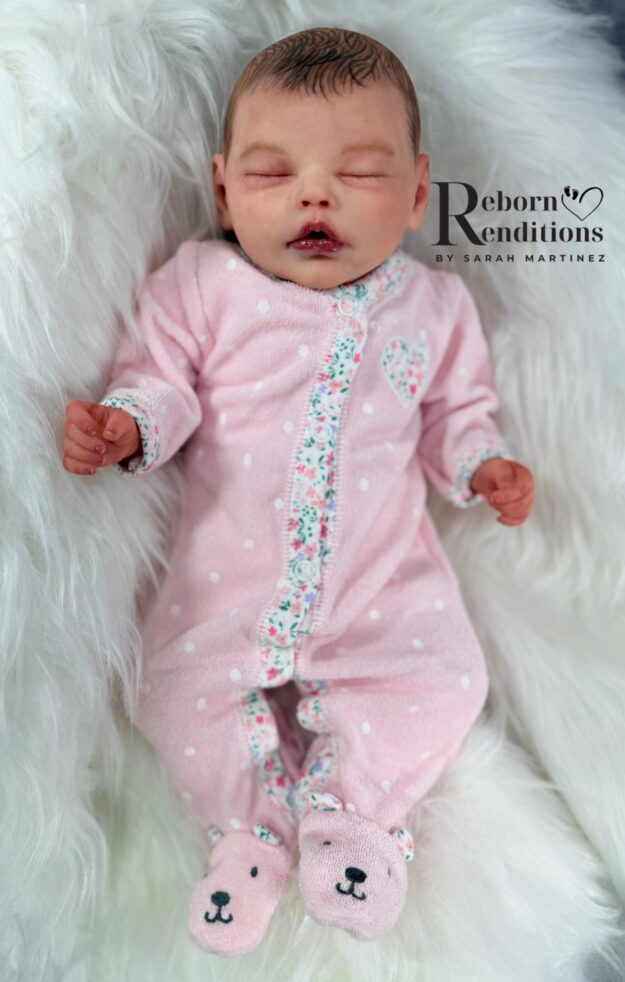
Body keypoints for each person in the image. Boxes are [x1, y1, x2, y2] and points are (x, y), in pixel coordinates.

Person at [61, 26, 534, 957]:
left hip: (381, 585)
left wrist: (481, 464)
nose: (314, 194)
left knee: (446, 681)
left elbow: (456, 410)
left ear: (416, 194)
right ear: (223, 191)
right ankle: (250, 833)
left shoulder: (434, 308)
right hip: (225, 584)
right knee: (170, 692)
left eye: (358, 172)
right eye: (274, 172)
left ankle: (351, 818)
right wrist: (128, 425)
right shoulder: (204, 286)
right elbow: (159, 377)